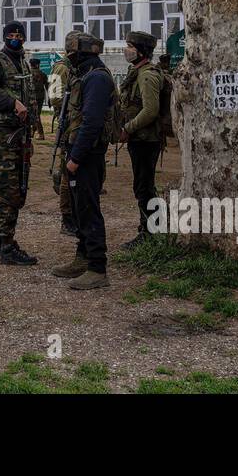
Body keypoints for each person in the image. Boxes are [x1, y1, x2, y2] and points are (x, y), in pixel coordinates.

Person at [50, 31, 115, 290]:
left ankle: (97, 268)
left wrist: (75, 158)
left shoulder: (97, 78)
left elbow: (91, 123)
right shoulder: (86, 75)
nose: (69, 58)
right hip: (79, 150)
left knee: (88, 209)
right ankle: (83, 257)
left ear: (83, 54)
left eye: (73, 54)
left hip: (87, 154)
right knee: (79, 208)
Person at [0, 20, 37, 266]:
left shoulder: (22, 61)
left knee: (19, 189)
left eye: (19, 34)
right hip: (5, 138)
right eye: (11, 34)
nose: (15, 38)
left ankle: (0, 240)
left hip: (21, 136)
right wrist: (12, 103)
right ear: (4, 37)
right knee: (9, 191)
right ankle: (7, 247)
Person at [118, 31, 166, 248]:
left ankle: (150, 233)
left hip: (146, 140)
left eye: (130, 46)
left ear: (140, 51)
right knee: (143, 185)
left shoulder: (147, 76)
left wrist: (127, 128)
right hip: (140, 139)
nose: (126, 49)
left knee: (144, 187)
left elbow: (150, 111)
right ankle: (150, 228)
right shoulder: (136, 72)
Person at [48, 55, 77, 237]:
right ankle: (67, 219)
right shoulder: (62, 68)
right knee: (67, 172)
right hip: (68, 123)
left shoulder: (72, 67)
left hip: (73, 122)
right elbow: (55, 97)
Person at [30, 60, 48, 139]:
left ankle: (40, 133)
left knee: (34, 115)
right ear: (38, 64)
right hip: (40, 97)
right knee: (37, 114)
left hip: (32, 97)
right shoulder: (43, 74)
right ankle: (33, 131)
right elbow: (47, 86)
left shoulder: (29, 74)